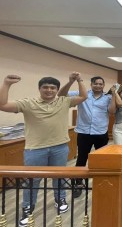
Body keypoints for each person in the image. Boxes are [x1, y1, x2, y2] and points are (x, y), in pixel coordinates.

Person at [0, 72, 87, 227]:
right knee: (32, 180)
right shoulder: (29, 103)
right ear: (39, 89)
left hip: (60, 147)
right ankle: (28, 208)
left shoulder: (63, 101)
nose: (49, 90)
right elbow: (3, 105)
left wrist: (78, 80)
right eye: (45, 87)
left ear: (57, 90)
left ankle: (60, 198)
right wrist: (7, 84)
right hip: (35, 149)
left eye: (53, 88)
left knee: (59, 177)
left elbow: (83, 96)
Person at [58, 75, 112, 197]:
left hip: (100, 132)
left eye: (100, 84)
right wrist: (71, 81)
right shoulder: (82, 94)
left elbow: (113, 109)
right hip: (84, 132)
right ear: (91, 84)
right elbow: (61, 95)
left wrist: (115, 93)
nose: (98, 86)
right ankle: (78, 183)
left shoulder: (108, 97)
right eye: (95, 83)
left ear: (103, 86)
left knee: (102, 160)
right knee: (82, 158)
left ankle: (101, 182)